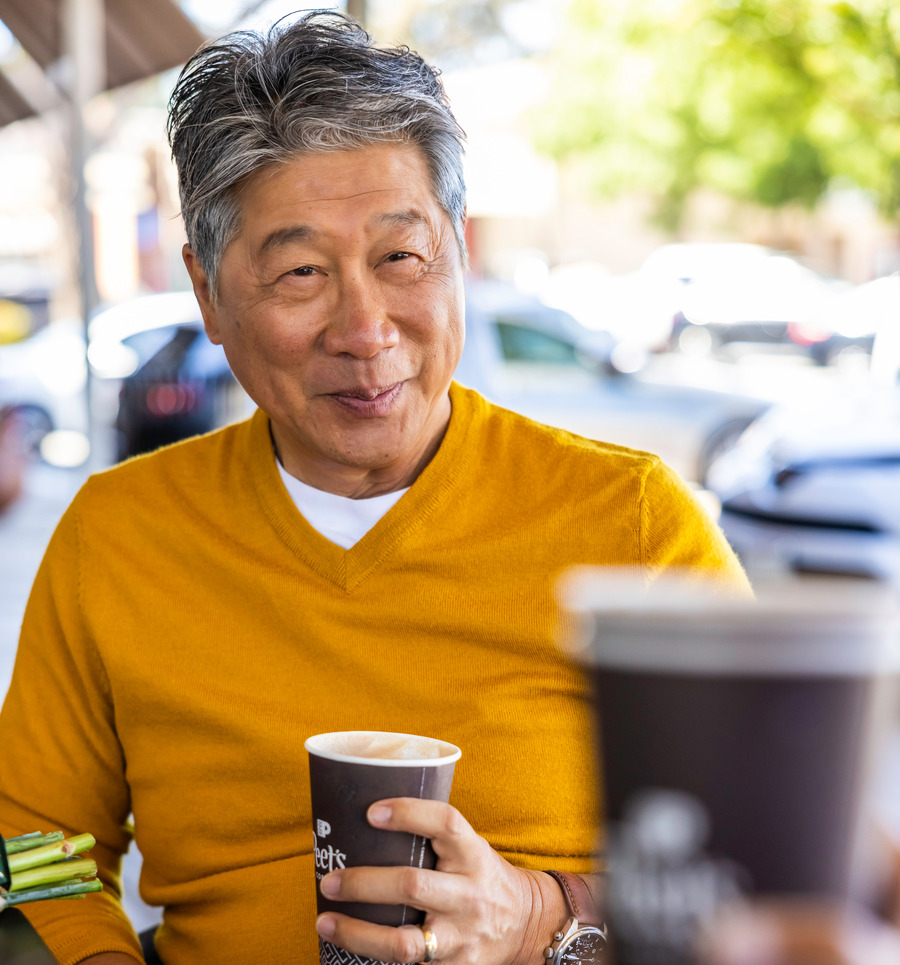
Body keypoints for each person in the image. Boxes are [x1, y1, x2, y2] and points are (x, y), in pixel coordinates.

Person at [0, 12, 750, 965]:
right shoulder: (119, 534)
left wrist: (542, 918)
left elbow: (775, 858)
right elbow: (37, 846)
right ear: (207, 294)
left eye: (402, 257)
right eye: (301, 272)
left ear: (460, 251)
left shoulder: (632, 523)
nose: (365, 329)